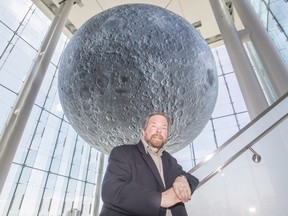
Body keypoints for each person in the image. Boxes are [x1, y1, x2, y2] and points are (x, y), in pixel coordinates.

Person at [100, 112, 199, 216]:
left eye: (164, 128)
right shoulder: (122, 152)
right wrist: (160, 199)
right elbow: (111, 189)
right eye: (154, 126)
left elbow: (193, 179)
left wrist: (182, 178)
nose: (159, 131)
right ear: (143, 131)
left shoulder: (169, 159)